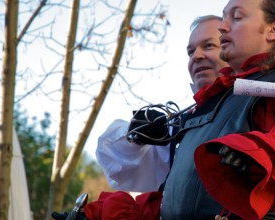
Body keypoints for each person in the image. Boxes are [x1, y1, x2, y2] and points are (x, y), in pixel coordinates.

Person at [80, 1, 275, 220]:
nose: (223, 26)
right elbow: (173, 202)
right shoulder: (211, 101)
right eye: (224, 18)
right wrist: (100, 218)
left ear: (273, 29)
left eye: (236, 17)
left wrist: (255, 154)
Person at [94, 15, 229, 193]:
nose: (196, 56)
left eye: (209, 45)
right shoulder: (179, 126)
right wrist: (135, 135)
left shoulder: (258, 102)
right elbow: (119, 168)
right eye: (190, 51)